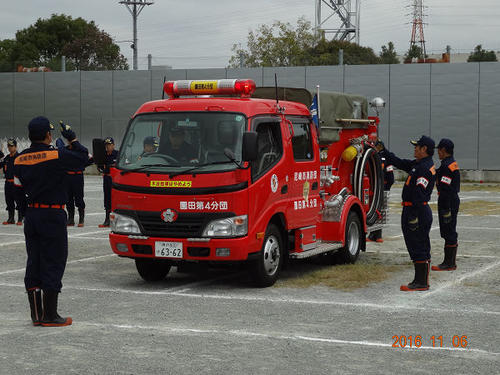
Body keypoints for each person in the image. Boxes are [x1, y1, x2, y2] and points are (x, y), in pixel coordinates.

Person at [14, 117, 88, 326]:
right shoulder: (56, 155)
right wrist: (72, 138)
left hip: (32, 216)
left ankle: (37, 315)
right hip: (53, 215)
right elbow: (83, 158)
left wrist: (25, 212)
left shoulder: (19, 159)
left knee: (34, 262)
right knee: (54, 261)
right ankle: (51, 315)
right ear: (48, 135)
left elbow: (17, 191)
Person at [377, 135, 436, 291]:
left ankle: (421, 282)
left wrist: (412, 216)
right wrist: (384, 151)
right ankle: (422, 280)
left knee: (417, 245)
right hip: (416, 209)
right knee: (421, 244)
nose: (414, 148)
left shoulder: (423, 168)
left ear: (424, 149)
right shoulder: (420, 164)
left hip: (416, 210)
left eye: (417, 146)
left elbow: (419, 194)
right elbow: (400, 163)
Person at [432, 138, 460, 271]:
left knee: (448, 229)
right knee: (450, 229)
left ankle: (449, 263)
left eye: (439, 149)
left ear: (443, 150)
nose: (437, 152)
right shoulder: (451, 163)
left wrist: (447, 208)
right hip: (451, 199)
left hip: (447, 200)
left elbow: (446, 187)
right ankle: (449, 261)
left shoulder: (446, 166)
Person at [59, 130, 91, 227]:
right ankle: (71, 218)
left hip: (77, 176)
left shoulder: (80, 150)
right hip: (68, 176)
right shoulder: (65, 150)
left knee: (79, 198)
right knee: (68, 199)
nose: (70, 142)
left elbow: (86, 152)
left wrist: (75, 142)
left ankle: (81, 219)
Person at [367, 145, 394, 242]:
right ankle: (376, 235)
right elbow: (391, 177)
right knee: (379, 210)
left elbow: (390, 178)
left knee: (375, 210)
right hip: (381, 188)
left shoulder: (372, 157)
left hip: (376, 189)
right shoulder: (385, 159)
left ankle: (376, 235)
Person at [1, 139, 27, 225]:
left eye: (11, 146)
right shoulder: (7, 158)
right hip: (8, 182)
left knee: (19, 201)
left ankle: (20, 218)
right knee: (9, 201)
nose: (9, 148)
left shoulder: (19, 158)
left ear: (15, 147)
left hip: (17, 182)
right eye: (8, 146)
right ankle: (11, 218)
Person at [98, 137, 118, 227]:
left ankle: (116, 219)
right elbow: (100, 166)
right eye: (106, 145)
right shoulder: (103, 155)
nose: (108, 147)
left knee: (115, 199)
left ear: (113, 145)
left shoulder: (118, 154)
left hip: (114, 179)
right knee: (107, 199)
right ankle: (107, 219)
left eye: (109, 145)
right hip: (106, 179)